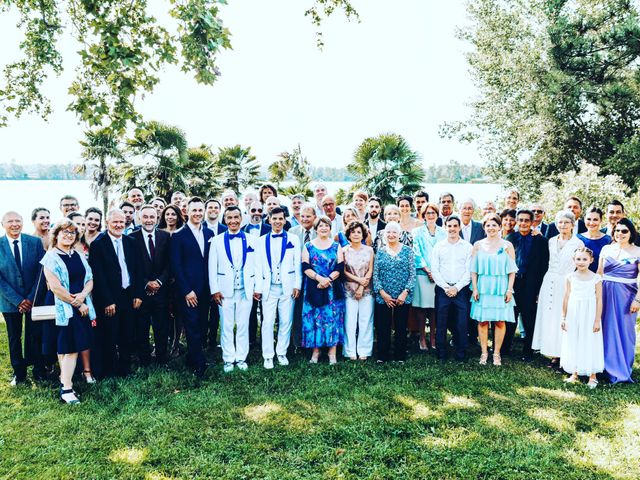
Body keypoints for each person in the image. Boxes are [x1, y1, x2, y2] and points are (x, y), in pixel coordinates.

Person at [41, 219, 97, 404]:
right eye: (64, 232)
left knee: (70, 347)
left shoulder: (78, 255)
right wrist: (78, 303)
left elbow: (89, 279)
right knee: (69, 348)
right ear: (56, 235)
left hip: (80, 304)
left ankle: (65, 381)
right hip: (64, 307)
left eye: (72, 233)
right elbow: (56, 288)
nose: (68, 235)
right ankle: (66, 389)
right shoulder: (50, 257)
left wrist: (82, 296)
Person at [88, 209, 144, 379]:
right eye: (115, 222)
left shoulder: (131, 242)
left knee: (127, 333)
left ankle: (125, 369)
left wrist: (138, 294)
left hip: (129, 294)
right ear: (107, 223)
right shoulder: (98, 244)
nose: (119, 225)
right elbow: (98, 275)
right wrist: (107, 301)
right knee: (110, 334)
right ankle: (110, 369)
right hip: (110, 297)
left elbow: (138, 270)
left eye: (121, 222)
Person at [209, 206, 261, 373]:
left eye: (236, 217)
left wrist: (256, 288)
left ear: (241, 218)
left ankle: (241, 357)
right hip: (224, 291)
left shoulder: (253, 240)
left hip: (245, 290)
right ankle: (228, 359)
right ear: (225, 220)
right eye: (229, 218)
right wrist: (214, 290)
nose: (233, 221)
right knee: (226, 325)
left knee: (243, 325)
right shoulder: (216, 241)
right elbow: (212, 267)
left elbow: (257, 266)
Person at [532, 210, 584, 369]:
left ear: (572, 225)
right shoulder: (551, 241)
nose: (563, 225)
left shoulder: (578, 243)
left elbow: (579, 265)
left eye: (566, 223)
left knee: (564, 316)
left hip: (567, 281)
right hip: (549, 280)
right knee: (550, 316)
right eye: (560, 222)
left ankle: (563, 354)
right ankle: (551, 351)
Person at [0, 211, 46, 385]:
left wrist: (31, 297)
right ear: (3, 223)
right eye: (10, 221)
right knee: (14, 337)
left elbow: (42, 271)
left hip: (34, 299)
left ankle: (39, 370)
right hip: (9, 301)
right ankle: (19, 373)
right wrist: (19, 300)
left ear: (23, 222)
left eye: (18, 221)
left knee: (35, 335)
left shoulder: (34, 242)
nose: (15, 224)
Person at [170, 197, 213, 377]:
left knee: (203, 324)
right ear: (186, 212)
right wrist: (187, 290)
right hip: (188, 290)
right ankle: (199, 364)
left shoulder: (209, 234)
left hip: (206, 289)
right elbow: (176, 266)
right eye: (193, 210)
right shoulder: (178, 235)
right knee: (192, 325)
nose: (197, 213)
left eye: (200, 210)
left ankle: (193, 356)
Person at [470, 214, 518, 366]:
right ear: (484, 227)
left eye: (494, 225)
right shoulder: (477, 245)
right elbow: (473, 270)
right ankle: (484, 352)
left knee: (499, 321)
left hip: (500, 287)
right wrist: (475, 288)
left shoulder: (507, 245)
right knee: (482, 321)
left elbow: (512, 271)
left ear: (499, 227)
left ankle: (496, 353)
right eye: (488, 225)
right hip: (483, 287)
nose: (491, 228)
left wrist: (509, 290)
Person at [256, 207, 301, 369]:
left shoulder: (293, 239)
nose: (277, 222)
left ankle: (281, 352)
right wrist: (258, 288)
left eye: (280, 219)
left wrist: (297, 284)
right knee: (267, 322)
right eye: (274, 219)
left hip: (288, 287)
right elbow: (258, 267)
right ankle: (268, 355)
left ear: (284, 220)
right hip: (269, 288)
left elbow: (297, 264)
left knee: (286, 321)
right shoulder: (260, 241)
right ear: (269, 220)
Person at [598, 218, 640, 383]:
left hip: (626, 296)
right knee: (604, 328)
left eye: (624, 231)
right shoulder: (606, 249)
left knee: (624, 331)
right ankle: (601, 366)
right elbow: (599, 273)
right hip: (604, 293)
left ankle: (620, 369)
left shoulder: (637, 251)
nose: (620, 234)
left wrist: (638, 300)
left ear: (631, 233)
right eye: (617, 230)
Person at [505, 209, 549, 360]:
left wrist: (539, 288)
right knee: (510, 316)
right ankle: (505, 348)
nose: (523, 223)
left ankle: (528, 350)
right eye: (520, 220)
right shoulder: (510, 238)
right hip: (513, 283)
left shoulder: (541, 241)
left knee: (529, 317)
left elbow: (544, 265)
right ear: (517, 222)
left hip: (531, 284)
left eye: (526, 220)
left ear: (532, 222)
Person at [130, 205, 171, 365]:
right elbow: (131, 266)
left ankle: (162, 358)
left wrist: (159, 281)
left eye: (151, 217)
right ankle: (144, 360)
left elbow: (169, 262)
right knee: (141, 327)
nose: (148, 220)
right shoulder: (132, 238)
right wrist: (146, 283)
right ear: (140, 218)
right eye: (145, 217)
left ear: (157, 218)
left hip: (162, 290)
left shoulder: (165, 236)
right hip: (142, 291)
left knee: (162, 326)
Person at [301, 216, 345, 364]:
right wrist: (319, 279)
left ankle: (332, 354)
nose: (324, 228)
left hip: (332, 288)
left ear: (330, 228)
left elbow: (340, 266)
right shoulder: (308, 246)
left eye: (326, 225)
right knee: (315, 319)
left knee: (332, 319)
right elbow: (305, 266)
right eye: (321, 226)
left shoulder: (336, 245)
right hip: (314, 286)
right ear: (316, 228)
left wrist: (328, 280)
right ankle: (316, 353)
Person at [560, 248, 603, 388]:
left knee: (590, 340)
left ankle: (592, 375)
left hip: (590, 313)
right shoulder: (570, 277)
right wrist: (563, 317)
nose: (581, 262)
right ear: (574, 260)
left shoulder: (596, 278)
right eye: (578, 259)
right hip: (574, 312)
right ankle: (575, 372)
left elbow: (599, 299)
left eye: (585, 259)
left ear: (591, 260)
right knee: (574, 339)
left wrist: (597, 319)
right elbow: (566, 297)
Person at [372, 222, 415, 362]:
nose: (391, 235)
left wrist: (405, 292)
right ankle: (383, 356)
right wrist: (382, 293)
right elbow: (375, 275)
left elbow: (412, 274)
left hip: (402, 296)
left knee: (401, 327)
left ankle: (400, 356)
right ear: (385, 235)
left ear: (400, 234)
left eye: (394, 232)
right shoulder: (380, 251)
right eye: (388, 232)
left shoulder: (408, 251)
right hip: (384, 296)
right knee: (383, 327)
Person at [431, 216, 472, 362]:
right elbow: (434, 269)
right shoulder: (439, 246)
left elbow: (469, 271)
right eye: (449, 226)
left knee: (462, 322)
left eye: (455, 226)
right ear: (445, 227)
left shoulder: (467, 247)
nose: (452, 229)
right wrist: (446, 287)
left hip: (461, 290)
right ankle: (441, 353)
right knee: (441, 322)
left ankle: (461, 353)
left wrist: (457, 287)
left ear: (459, 227)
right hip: (443, 289)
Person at [412, 203, 446, 351]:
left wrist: (435, 272)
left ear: (437, 215)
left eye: (433, 213)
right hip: (422, 273)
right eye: (427, 213)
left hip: (439, 275)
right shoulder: (417, 232)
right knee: (422, 308)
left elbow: (445, 253)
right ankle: (421, 338)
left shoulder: (443, 232)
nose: (430, 215)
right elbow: (416, 252)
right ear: (423, 215)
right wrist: (428, 270)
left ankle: (433, 337)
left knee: (434, 308)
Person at [342, 220, 374, 360]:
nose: (356, 234)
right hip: (349, 290)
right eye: (353, 232)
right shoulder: (343, 250)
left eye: (359, 232)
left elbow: (370, 270)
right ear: (348, 234)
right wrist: (358, 281)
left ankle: (364, 351)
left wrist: (362, 285)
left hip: (366, 290)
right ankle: (350, 351)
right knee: (349, 321)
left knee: (365, 320)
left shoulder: (369, 250)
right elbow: (343, 271)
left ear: (363, 234)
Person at [289, 203, 318, 350]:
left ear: (315, 217)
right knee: (297, 311)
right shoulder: (292, 232)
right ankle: (297, 343)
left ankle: (313, 342)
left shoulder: (320, 231)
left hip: (315, 278)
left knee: (314, 310)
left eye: (308, 216)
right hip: (297, 278)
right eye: (302, 216)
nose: (305, 219)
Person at [577, 207, 611, 272]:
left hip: (601, 279)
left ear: (601, 220)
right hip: (580, 279)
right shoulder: (577, 238)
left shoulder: (608, 240)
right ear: (584, 219)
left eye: (595, 219)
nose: (591, 223)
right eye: (589, 219)